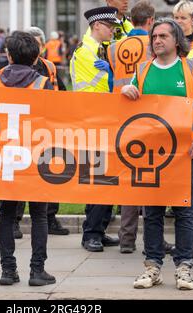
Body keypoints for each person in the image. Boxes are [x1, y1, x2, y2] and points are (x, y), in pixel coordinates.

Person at [122, 18, 193, 290]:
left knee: (185, 211)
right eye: (154, 36)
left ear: (176, 41)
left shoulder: (191, 69)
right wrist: (126, 91)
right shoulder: (143, 70)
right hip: (150, 156)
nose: (157, 40)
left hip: (184, 154)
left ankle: (185, 268)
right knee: (152, 212)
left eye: (163, 36)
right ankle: (153, 267)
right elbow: (129, 105)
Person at [0, 31, 56, 287]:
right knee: (39, 215)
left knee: (5, 213)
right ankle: (37, 271)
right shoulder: (42, 83)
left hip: (4, 158)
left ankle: (8, 269)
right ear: (36, 57)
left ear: (8, 55)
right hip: (34, 158)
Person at [70, 6, 121, 252]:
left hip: (103, 120)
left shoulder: (99, 50)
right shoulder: (86, 52)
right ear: (97, 26)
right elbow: (104, 88)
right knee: (99, 178)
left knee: (106, 178)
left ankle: (98, 229)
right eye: (110, 26)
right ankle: (91, 233)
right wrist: (113, 74)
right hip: (94, 120)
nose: (113, 30)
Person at [12, 27, 69, 239]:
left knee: (50, 175)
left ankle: (51, 217)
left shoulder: (49, 68)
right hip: (21, 133)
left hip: (46, 131)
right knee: (19, 178)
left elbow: (60, 94)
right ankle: (15, 221)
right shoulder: (14, 69)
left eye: (36, 45)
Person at [108, 1, 155, 253]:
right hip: (148, 115)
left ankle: (126, 239)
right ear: (150, 21)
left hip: (121, 116)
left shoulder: (115, 47)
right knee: (150, 177)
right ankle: (152, 237)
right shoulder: (155, 45)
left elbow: (111, 82)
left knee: (128, 177)